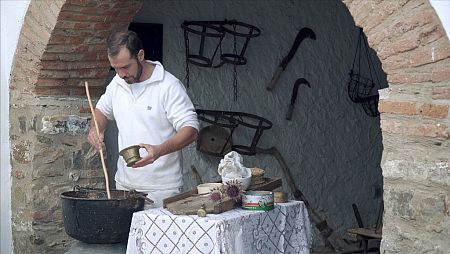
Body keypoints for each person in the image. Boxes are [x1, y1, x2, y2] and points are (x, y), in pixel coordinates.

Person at [88, 30, 199, 207]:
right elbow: (101, 112)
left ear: (140, 55)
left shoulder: (168, 86)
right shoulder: (117, 84)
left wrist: (159, 150)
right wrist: (96, 129)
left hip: (161, 190)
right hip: (124, 185)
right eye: (115, 68)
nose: (121, 74)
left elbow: (191, 130)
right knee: (123, 235)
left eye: (125, 67)